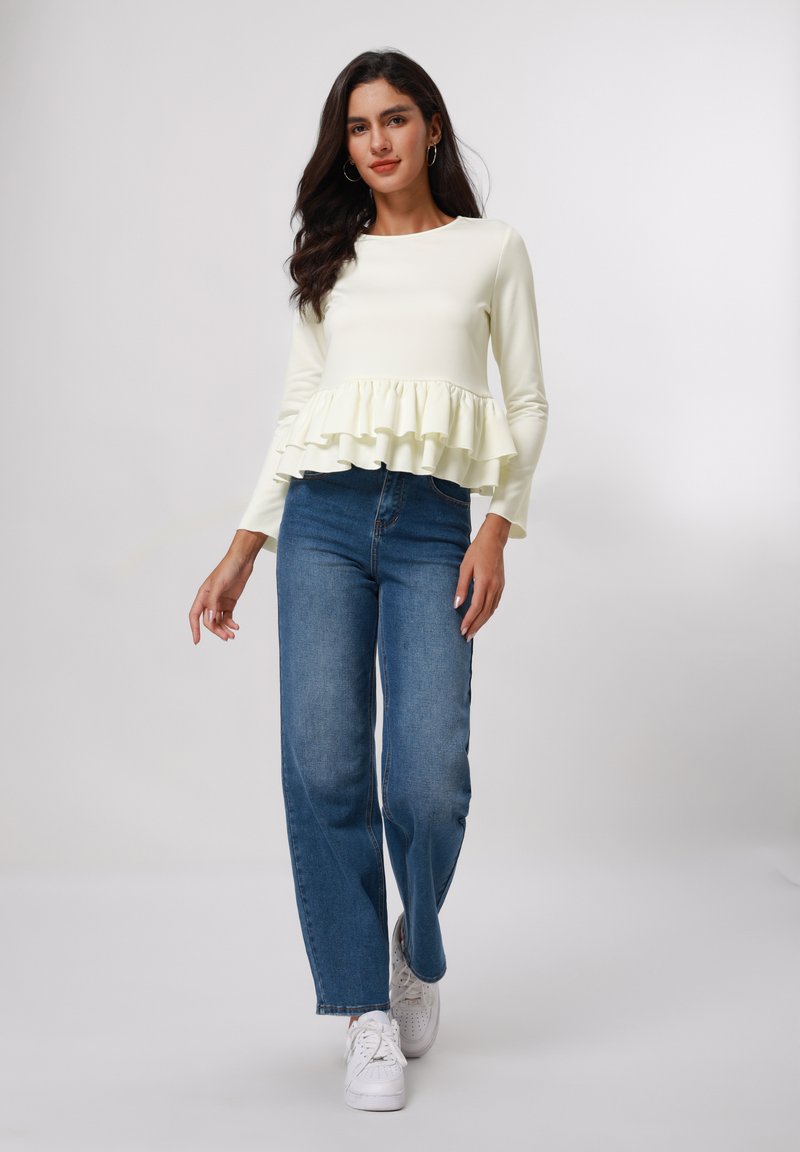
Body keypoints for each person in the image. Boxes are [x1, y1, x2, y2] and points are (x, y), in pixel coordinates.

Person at [188, 47, 549, 1112]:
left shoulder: (490, 249)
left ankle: (412, 950)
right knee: (323, 765)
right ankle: (362, 1012)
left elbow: (527, 403)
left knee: (428, 778)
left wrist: (497, 527)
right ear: (343, 147)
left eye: (395, 118)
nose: (378, 140)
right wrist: (243, 547)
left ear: (430, 126)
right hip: (323, 521)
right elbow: (298, 414)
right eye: (358, 126)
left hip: (436, 525)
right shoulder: (328, 260)